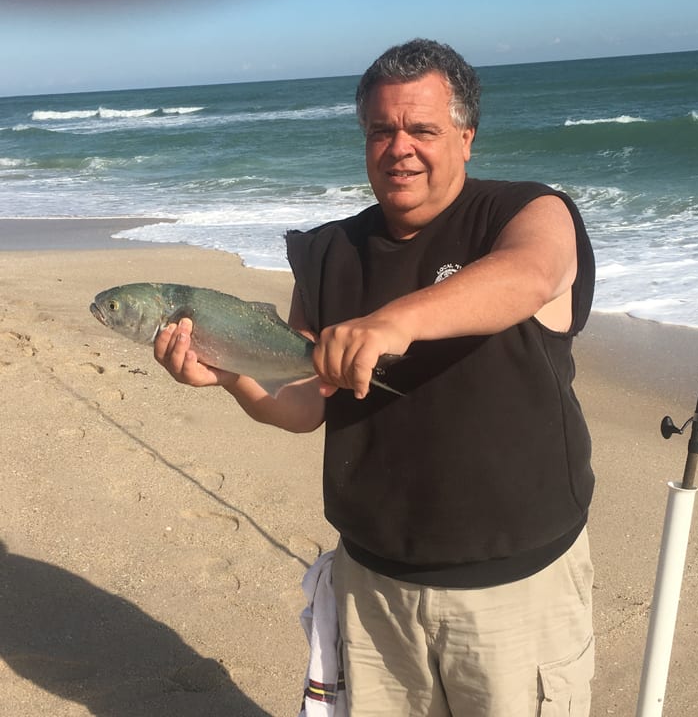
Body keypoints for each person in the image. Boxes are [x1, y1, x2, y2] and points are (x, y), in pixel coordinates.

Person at [155, 38, 596, 716]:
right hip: (372, 580)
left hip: (514, 588)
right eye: (381, 130)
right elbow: (304, 402)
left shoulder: (524, 214)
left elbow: (531, 276)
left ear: (466, 136)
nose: (400, 148)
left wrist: (393, 323)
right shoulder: (329, 252)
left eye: (423, 128)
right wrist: (229, 375)